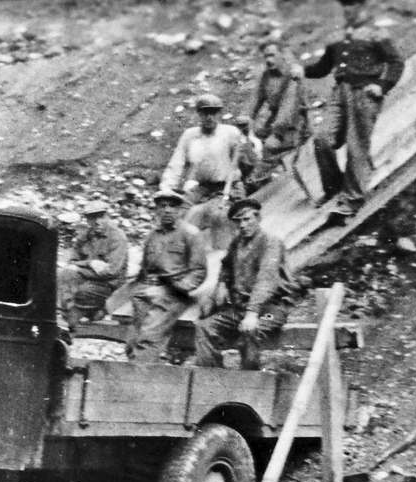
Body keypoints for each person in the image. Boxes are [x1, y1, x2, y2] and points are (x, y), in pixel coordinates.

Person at [292, 0, 404, 219]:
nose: (349, 11)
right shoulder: (338, 36)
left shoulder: (376, 34)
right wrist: (303, 70)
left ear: (363, 8)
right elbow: (324, 67)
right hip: (339, 92)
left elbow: (396, 61)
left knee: (356, 146)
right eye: (346, 6)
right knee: (321, 138)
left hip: (364, 94)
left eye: (353, 6)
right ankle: (334, 188)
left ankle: (351, 199)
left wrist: (382, 86)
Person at [194, 199, 299, 370]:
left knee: (250, 331)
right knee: (204, 327)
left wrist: (252, 313)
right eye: (237, 221)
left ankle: (249, 382)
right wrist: (221, 284)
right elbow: (227, 265)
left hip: (270, 309)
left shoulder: (270, 242)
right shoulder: (237, 243)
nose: (242, 225)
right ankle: (208, 379)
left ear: (258, 218)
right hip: (238, 309)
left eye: (247, 219)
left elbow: (266, 279)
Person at [127, 190, 213, 363]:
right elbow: (144, 268)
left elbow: (199, 271)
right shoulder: (153, 236)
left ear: (180, 210)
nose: (167, 210)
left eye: (172, 206)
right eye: (162, 206)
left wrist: (180, 287)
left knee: (149, 336)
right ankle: (146, 371)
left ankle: (139, 381)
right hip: (145, 291)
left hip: (172, 293)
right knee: (132, 341)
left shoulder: (190, 234)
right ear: (157, 210)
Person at [158, 94, 245, 205]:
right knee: (182, 210)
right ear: (199, 114)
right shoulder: (189, 135)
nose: (209, 117)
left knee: (239, 212)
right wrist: (167, 188)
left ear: (219, 114)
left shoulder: (231, 133)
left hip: (229, 185)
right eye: (205, 113)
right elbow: (176, 163)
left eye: (213, 113)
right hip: (203, 187)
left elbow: (242, 160)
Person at [57, 201, 129, 327]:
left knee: (81, 291)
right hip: (88, 279)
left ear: (107, 216)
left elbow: (112, 271)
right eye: (92, 218)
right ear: (87, 220)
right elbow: (70, 261)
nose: (97, 221)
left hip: (108, 286)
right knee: (62, 275)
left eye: (101, 216)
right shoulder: (85, 236)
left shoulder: (117, 237)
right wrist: (90, 263)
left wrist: (80, 269)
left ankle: (92, 313)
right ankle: (71, 313)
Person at [245, 41, 311, 163]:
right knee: (249, 140)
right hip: (276, 121)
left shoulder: (292, 76)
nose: (268, 60)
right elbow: (254, 101)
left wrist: (276, 134)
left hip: (294, 124)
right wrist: (245, 123)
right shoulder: (266, 76)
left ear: (282, 55)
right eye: (266, 56)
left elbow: (287, 109)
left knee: (269, 146)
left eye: (272, 55)